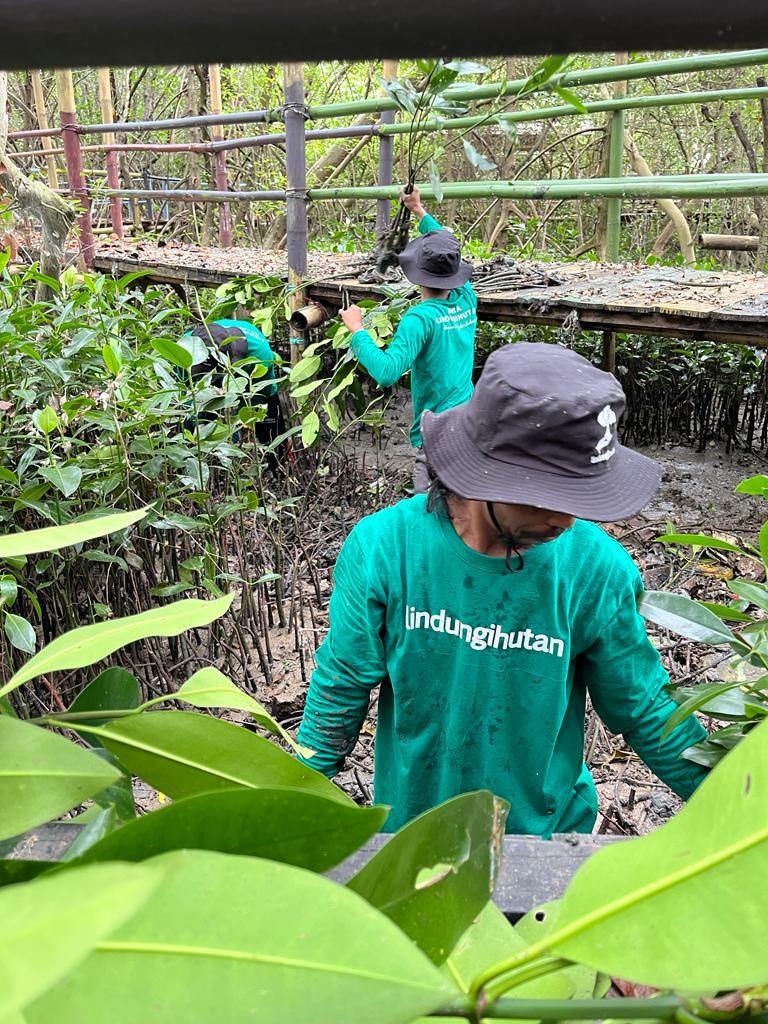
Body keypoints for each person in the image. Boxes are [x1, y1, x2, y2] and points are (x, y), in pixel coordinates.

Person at [297, 342, 709, 835]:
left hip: (547, 840)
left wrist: (737, 807)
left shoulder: (594, 569)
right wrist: (293, 801)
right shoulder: (386, 549)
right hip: (415, 832)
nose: (565, 519)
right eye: (547, 496)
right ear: (483, 474)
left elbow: (646, 709)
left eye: (579, 497)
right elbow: (340, 686)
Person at [340, 187, 477, 492]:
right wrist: (418, 210)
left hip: (436, 431)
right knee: (461, 496)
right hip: (469, 420)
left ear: (415, 274)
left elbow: (387, 372)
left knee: (426, 503)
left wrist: (357, 330)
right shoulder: (467, 298)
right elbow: (446, 245)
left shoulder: (419, 319)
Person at [181, 317, 286, 452]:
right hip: (203, 371)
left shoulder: (259, 354)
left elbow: (256, 398)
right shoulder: (186, 346)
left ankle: (276, 459)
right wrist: (197, 420)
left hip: (250, 373)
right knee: (191, 425)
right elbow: (186, 388)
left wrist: (238, 427)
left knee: (269, 430)